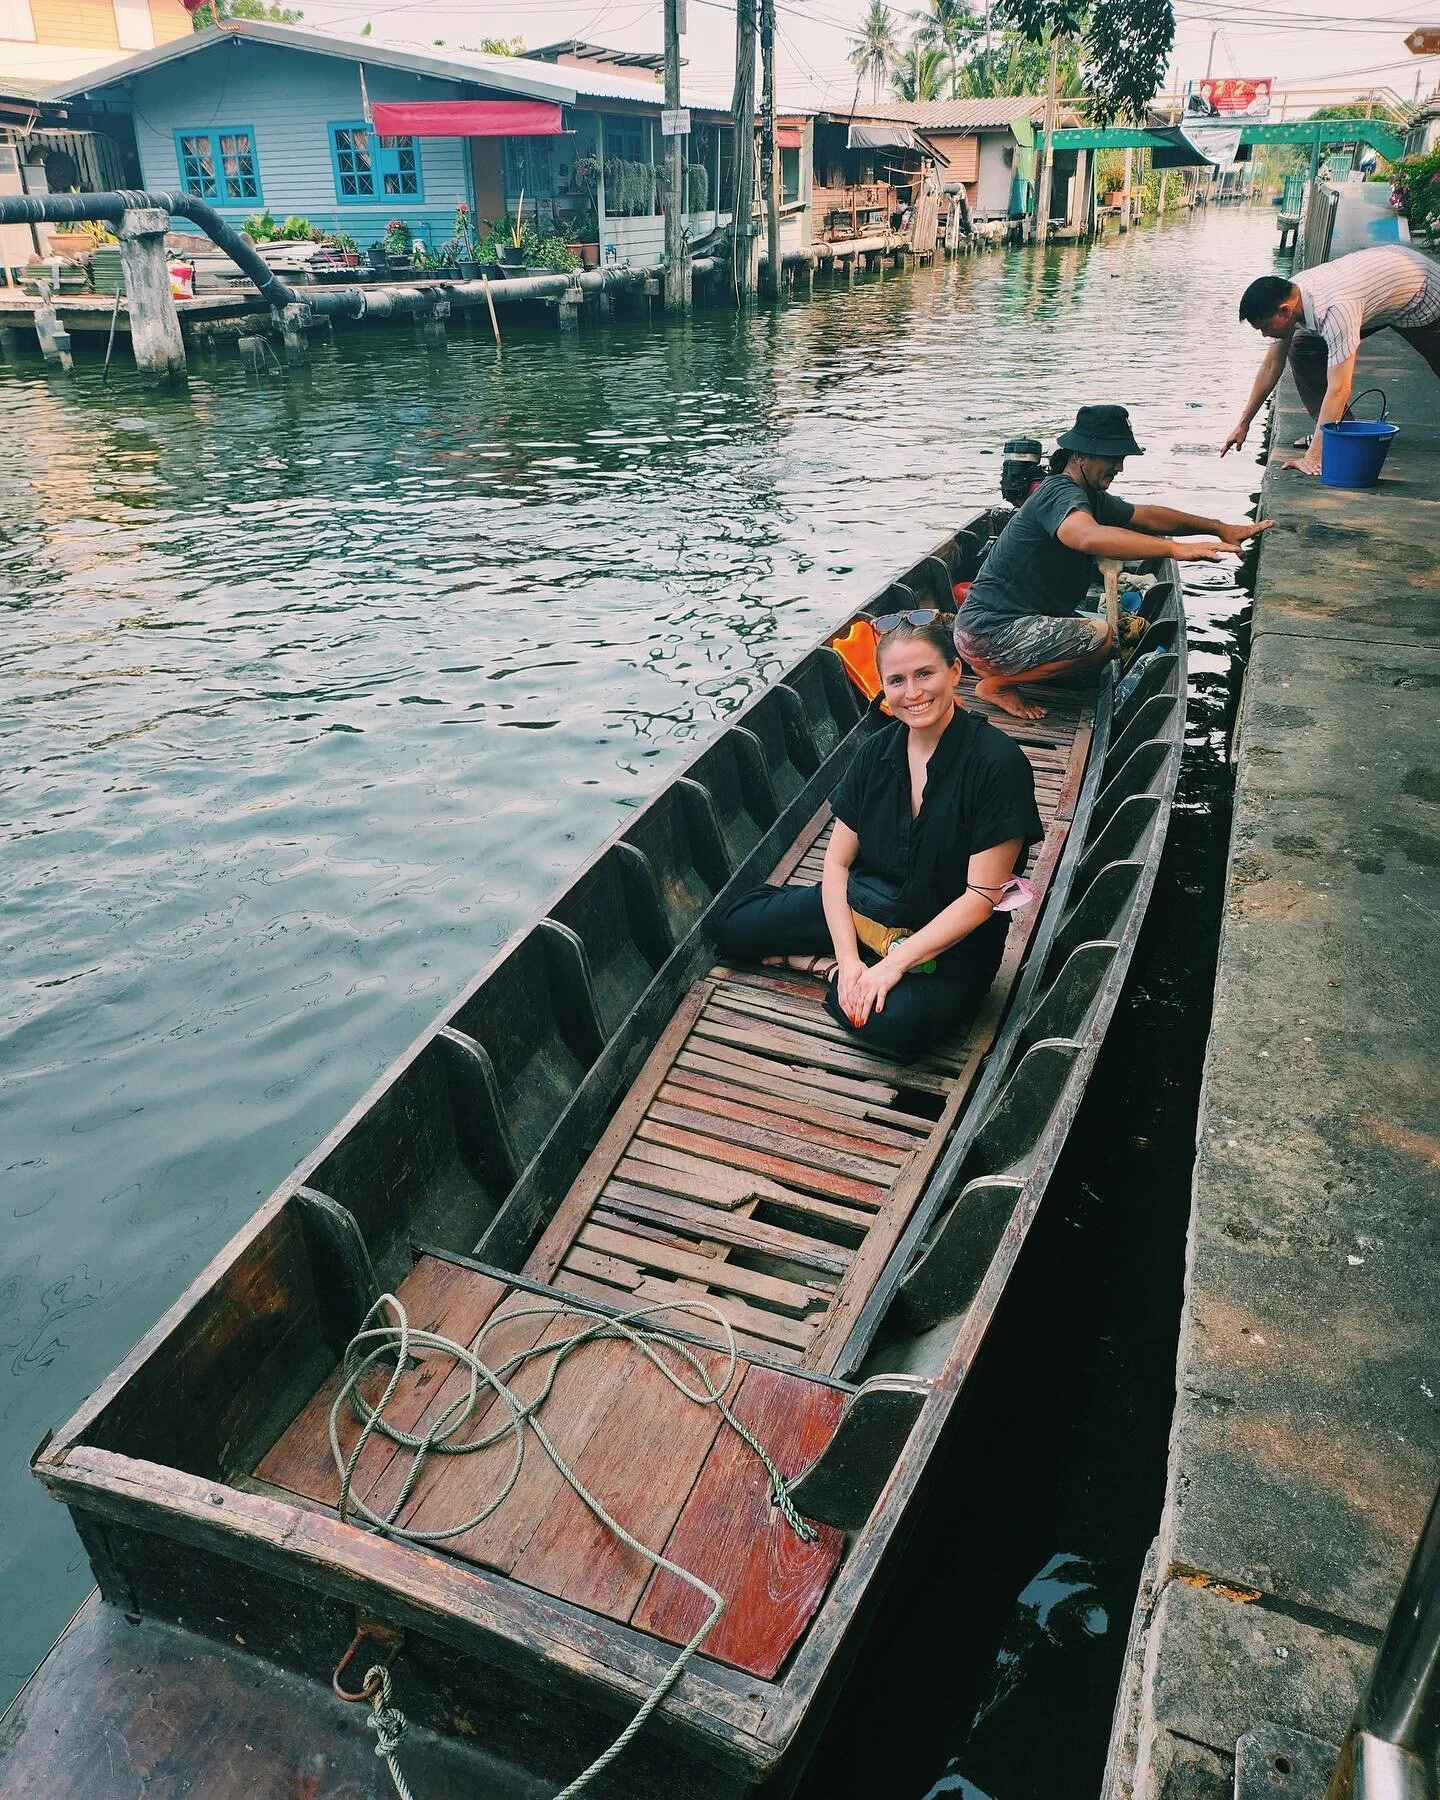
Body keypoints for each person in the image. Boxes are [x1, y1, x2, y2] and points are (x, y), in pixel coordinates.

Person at [713, 612, 1042, 1059]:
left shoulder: (997, 765)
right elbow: (837, 863)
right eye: (897, 680)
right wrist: (850, 962)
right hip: (865, 910)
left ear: (955, 671)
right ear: (884, 687)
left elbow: (981, 898)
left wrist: (887, 969)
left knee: (896, 1026)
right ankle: (838, 962)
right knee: (732, 929)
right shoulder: (877, 752)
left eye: (925, 673)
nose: (913, 693)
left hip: (945, 943)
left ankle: (819, 966)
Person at [953, 405, 1267, 721]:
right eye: (1111, 457)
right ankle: (999, 685)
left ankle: (1004, 669)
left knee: (1110, 647)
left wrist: (1217, 526)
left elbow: (1147, 516)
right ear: (1081, 456)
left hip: (999, 632)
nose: (1119, 467)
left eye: (1122, 458)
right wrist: (1172, 551)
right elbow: (1085, 536)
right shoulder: (1059, 492)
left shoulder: (1090, 495)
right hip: (988, 633)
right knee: (1100, 637)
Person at [1225, 246, 1440, 476]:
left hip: (1424, 296)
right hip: (1379, 295)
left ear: (1285, 311)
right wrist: (1243, 423)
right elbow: (1271, 365)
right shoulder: (1295, 293)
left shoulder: (1333, 310)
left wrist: (1314, 457)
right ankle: (1339, 431)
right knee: (1302, 347)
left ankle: (1326, 439)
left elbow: (1340, 388)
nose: (1264, 335)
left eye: (1265, 328)